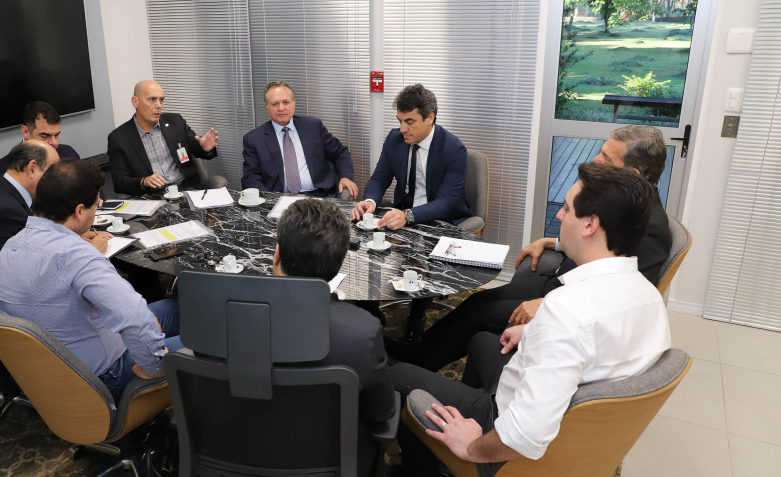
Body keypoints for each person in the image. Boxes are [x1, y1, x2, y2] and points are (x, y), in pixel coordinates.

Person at [389, 163, 671, 477]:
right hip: (573, 429)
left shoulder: (567, 311)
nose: (561, 215)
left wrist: (472, 446)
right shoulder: (649, 296)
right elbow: (596, 345)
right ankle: (458, 429)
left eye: (567, 208)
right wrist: (535, 331)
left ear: (591, 225)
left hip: (512, 432)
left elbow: (525, 435)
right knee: (482, 340)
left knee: (396, 374)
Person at [387, 124, 673, 371]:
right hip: (557, 282)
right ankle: (420, 350)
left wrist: (548, 305)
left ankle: (417, 364)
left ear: (634, 173)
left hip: (563, 301)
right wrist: (554, 242)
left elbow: (620, 295)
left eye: (606, 157)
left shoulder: (652, 228)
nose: (596, 160)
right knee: (476, 302)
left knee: (479, 316)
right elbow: (601, 243)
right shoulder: (622, 201)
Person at [0, 159, 183, 402]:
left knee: (171, 309)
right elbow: (134, 318)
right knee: (213, 344)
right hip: (99, 378)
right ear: (80, 211)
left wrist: (143, 325)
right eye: (96, 205)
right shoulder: (79, 256)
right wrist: (155, 367)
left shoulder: (11, 245)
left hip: (48, 370)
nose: (98, 209)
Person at [273, 199, 394, 477]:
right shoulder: (362, 332)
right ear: (338, 264)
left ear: (276, 254)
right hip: (329, 476)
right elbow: (381, 414)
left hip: (232, 464)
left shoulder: (223, 317)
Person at [350, 83, 472, 341]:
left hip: (439, 218)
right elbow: (379, 178)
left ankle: (418, 312)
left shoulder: (454, 149)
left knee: (421, 251)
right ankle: (371, 311)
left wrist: (408, 216)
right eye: (399, 120)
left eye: (409, 121)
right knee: (362, 245)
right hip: (401, 214)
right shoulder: (395, 140)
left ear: (430, 118)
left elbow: (448, 201)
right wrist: (370, 201)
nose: (402, 128)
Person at [0, 140, 60, 292]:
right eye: (54, 170)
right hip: (2, 300)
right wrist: (84, 250)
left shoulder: (7, 191)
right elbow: (36, 269)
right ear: (32, 168)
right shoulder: (5, 211)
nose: (57, 178)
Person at [242, 81, 358, 198]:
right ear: (267, 107)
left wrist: (346, 177)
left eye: (286, 102)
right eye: (275, 104)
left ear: (294, 103)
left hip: (319, 196)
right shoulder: (254, 140)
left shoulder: (313, 127)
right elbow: (251, 176)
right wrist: (268, 200)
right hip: (279, 199)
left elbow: (340, 152)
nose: (281, 108)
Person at [107, 80, 219, 195]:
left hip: (187, 190)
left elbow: (197, 148)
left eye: (161, 100)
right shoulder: (119, 138)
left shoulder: (176, 122)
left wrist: (206, 148)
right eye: (152, 99)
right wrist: (143, 181)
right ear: (135, 102)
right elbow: (119, 182)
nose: (159, 105)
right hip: (153, 198)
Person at [0, 101, 80, 179]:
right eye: (45, 136)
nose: (54, 142)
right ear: (26, 132)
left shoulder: (69, 153)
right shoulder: (3, 169)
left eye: (56, 135)